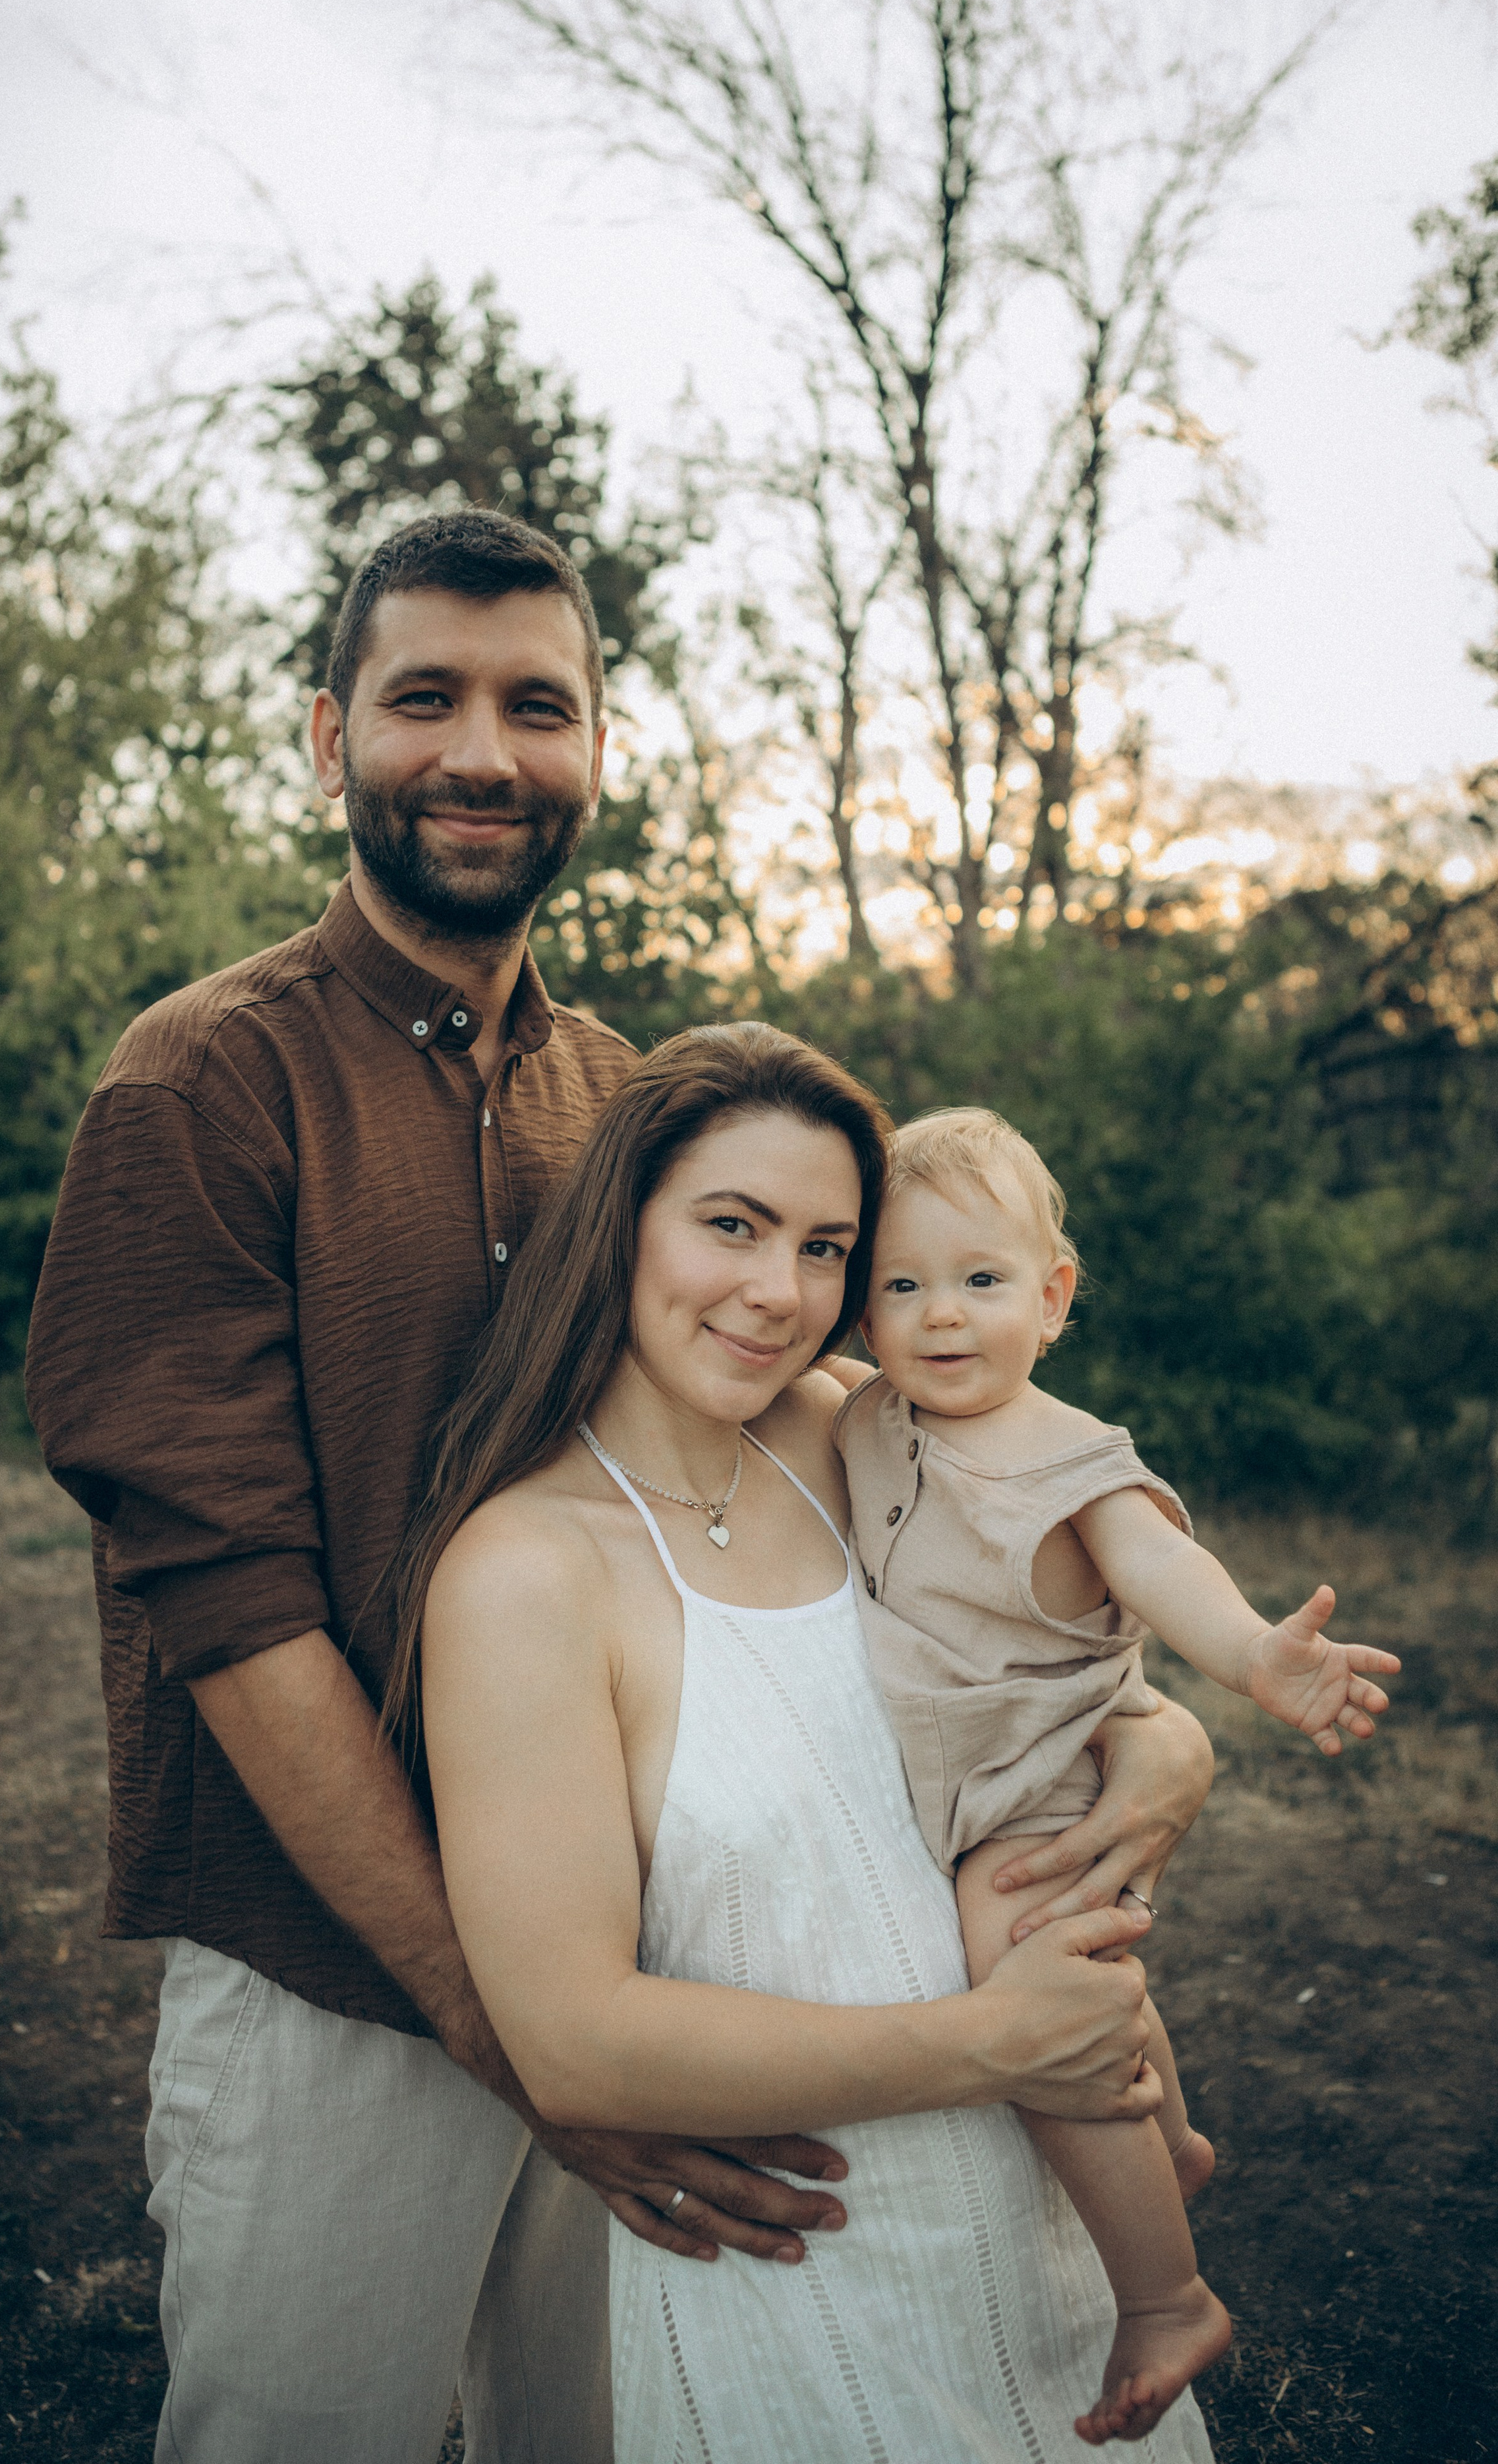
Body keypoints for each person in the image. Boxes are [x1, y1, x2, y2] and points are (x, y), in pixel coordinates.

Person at [26, 511, 860, 2464]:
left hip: (627, 1946)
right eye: (425, 697)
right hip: (339, 1978)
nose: (484, 750)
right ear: (330, 738)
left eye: (536, 705)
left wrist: (1132, 1714)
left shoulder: (635, 1104)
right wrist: (507, 2028)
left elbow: (777, 1460)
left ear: (597, 751)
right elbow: (230, 1606)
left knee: (598, 2437)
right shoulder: (202, 1088)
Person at [409, 1020, 1221, 2459]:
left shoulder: (860, 1431)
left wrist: (1160, 1734)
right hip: (799, 2266)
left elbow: (1024, 1639)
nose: (778, 1292)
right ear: (620, 1223)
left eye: (827, 1247)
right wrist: (983, 2043)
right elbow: (575, 2042)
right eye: (731, 1226)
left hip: (1046, 2216)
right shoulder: (522, 1574)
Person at [834, 1105, 1401, 2444]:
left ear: (1052, 1293)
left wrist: (1254, 1658)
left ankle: (1161, 2297)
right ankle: (1179, 2145)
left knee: (1025, 1966)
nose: (939, 1317)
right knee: (1092, 1984)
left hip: (1034, 1790)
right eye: (898, 1286)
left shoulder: (1071, 1462)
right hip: (950, 1779)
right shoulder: (864, 1415)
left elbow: (1163, 1573)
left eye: (978, 1281)